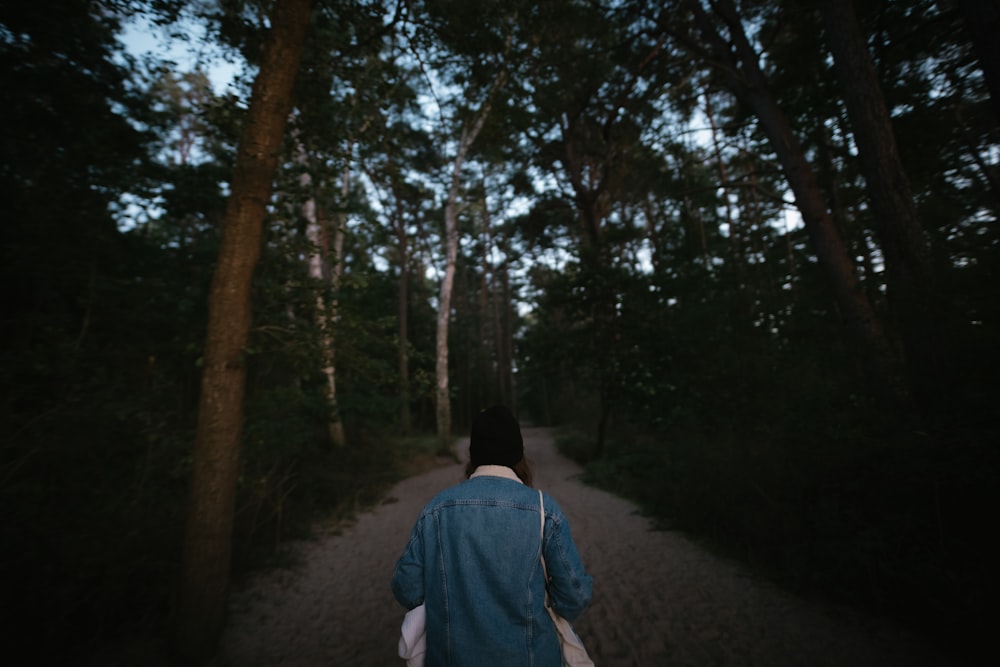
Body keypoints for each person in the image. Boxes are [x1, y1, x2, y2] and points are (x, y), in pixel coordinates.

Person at [391, 405, 593, 666]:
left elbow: (406, 587)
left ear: (473, 455)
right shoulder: (545, 510)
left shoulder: (437, 509)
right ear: (518, 454)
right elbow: (575, 597)